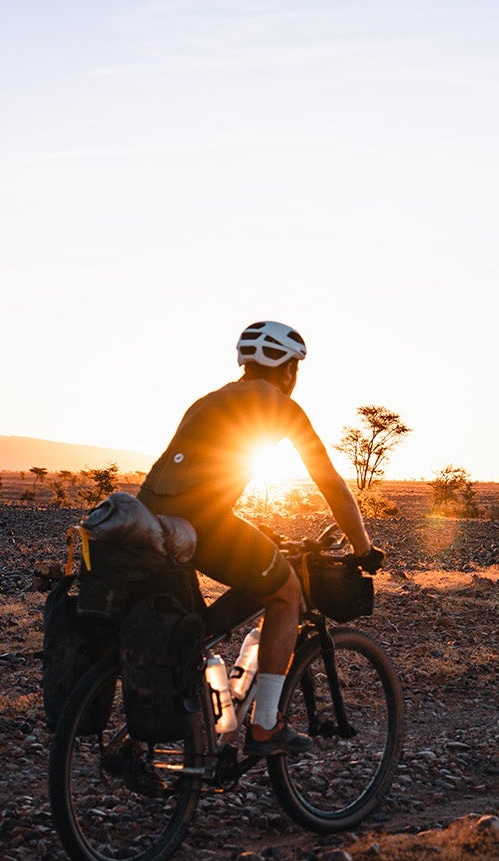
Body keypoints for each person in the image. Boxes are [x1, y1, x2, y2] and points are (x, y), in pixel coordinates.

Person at [137, 321, 384, 755]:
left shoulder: (207, 401)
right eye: (296, 369)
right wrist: (363, 547)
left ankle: (200, 727)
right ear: (288, 369)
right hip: (203, 522)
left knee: (191, 627)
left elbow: (195, 472)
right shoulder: (279, 405)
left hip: (150, 519)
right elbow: (331, 484)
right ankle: (266, 725)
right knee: (286, 592)